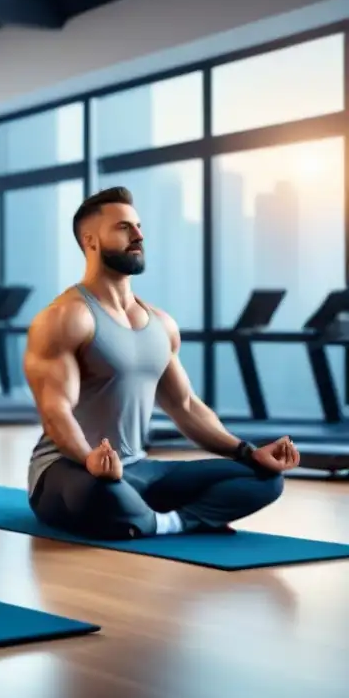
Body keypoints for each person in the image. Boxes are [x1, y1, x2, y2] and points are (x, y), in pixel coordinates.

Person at [23, 187, 296, 540]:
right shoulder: (66, 318)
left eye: (138, 226)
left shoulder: (160, 324)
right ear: (90, 241)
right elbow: (55, 411)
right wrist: (90, 459)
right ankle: (175, 519)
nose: (139, 235)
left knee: (265, 480)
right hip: (68, 469)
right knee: (99, 492)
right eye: (124, 227)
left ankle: (161, 523)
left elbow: (185, 407)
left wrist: (248, 452)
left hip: (139, 468)